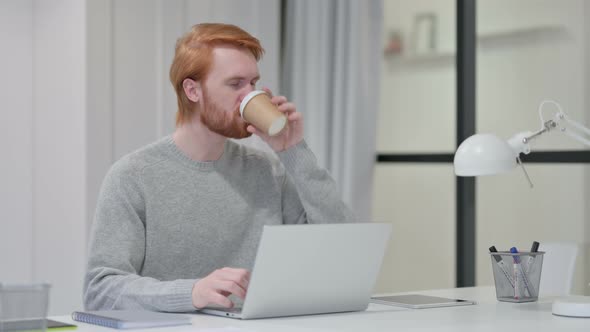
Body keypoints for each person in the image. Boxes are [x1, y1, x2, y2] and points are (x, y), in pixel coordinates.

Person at [83, 23, 355, 312]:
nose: (250, 95)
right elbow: (100, 290)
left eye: (253, 83)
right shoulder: (133, 175)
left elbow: (342, 246)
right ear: (193, 90)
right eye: (235, 84)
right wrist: (192, 293)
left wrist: (294, 151)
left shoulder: (268, 172)